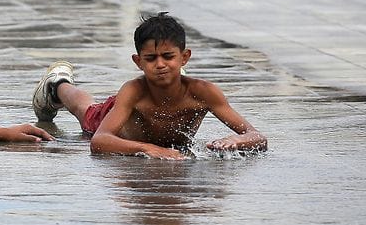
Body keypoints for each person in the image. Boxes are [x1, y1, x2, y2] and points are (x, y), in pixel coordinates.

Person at [30, 12, 267, 159]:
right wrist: (147, 149)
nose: (160, 64)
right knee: (87, 112)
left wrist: (236, 141)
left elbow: (256, 136)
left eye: (168, 57)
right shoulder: (133, 91)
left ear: (184, 57)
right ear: (138, 61)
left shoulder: (204, 92)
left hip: (162, 118)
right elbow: (100, 141)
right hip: (119, 121)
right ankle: (57, 84)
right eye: (151, 59)